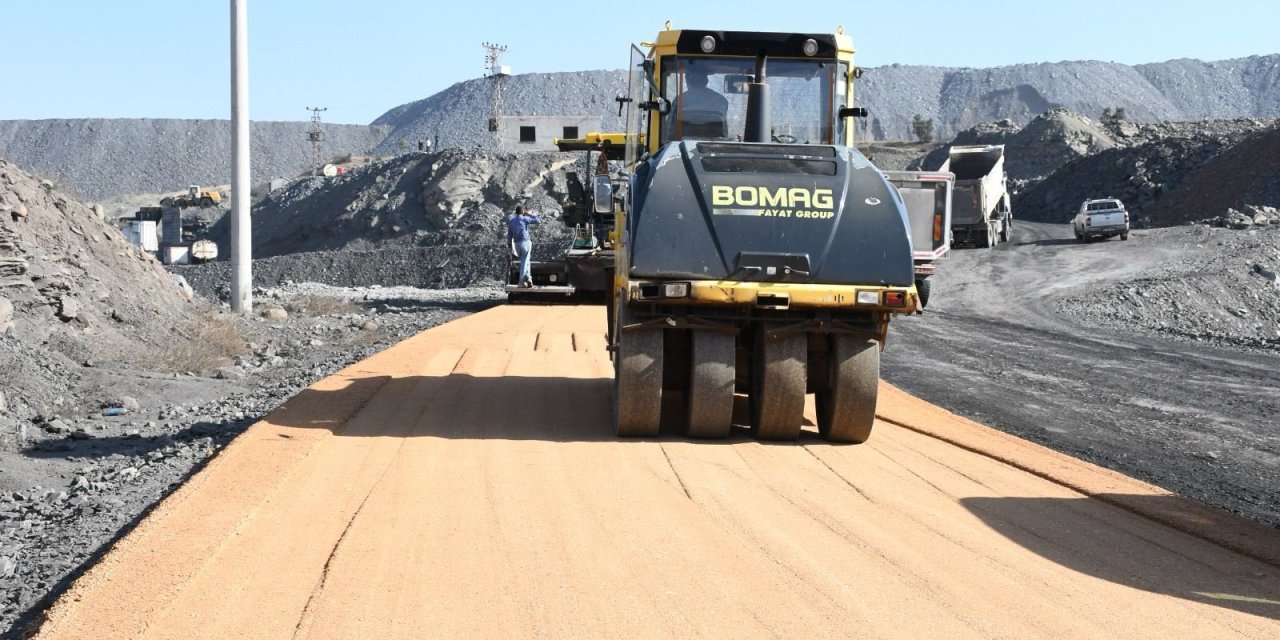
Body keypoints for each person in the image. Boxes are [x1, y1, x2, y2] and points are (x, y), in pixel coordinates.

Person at [672, 66, 729, 139]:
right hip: (715, 146)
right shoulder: (721, 100)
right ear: (706, 81)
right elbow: (724, 130)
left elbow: (670, 129)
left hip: (680, 147)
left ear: (687, 81)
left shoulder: (679, 100)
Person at [506, 205, 540, 287]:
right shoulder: (525, 218)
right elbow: (538, 221)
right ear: (523, 212)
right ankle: (521, 282)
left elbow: (509, 236)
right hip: (525, 242)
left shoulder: (512, 221)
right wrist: (530, 214)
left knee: (526, 261)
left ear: (516, 212)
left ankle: (528, 278)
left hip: (516, 244)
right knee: (524, 262)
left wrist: (510, 246)